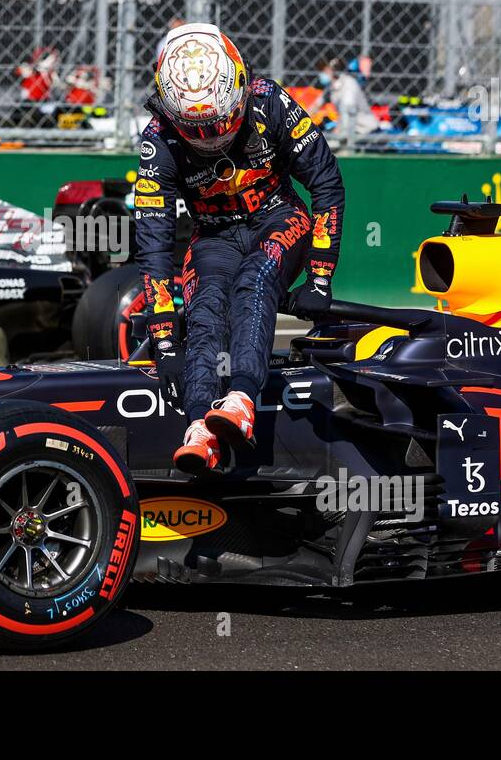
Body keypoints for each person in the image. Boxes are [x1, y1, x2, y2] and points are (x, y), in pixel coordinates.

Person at [135, 23, 345, 472]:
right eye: (198, 126)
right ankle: (200, 428)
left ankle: (242, 401)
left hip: (278, 217)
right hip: (212, 234)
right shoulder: (158, 141)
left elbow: (325, 183)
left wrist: (320, 274)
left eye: (219, 120)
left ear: (240, 85)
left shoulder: (273, 103)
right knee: (207, 307)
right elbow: (153, 242)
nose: (211, 135)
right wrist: (165, 339)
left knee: (253, 283)